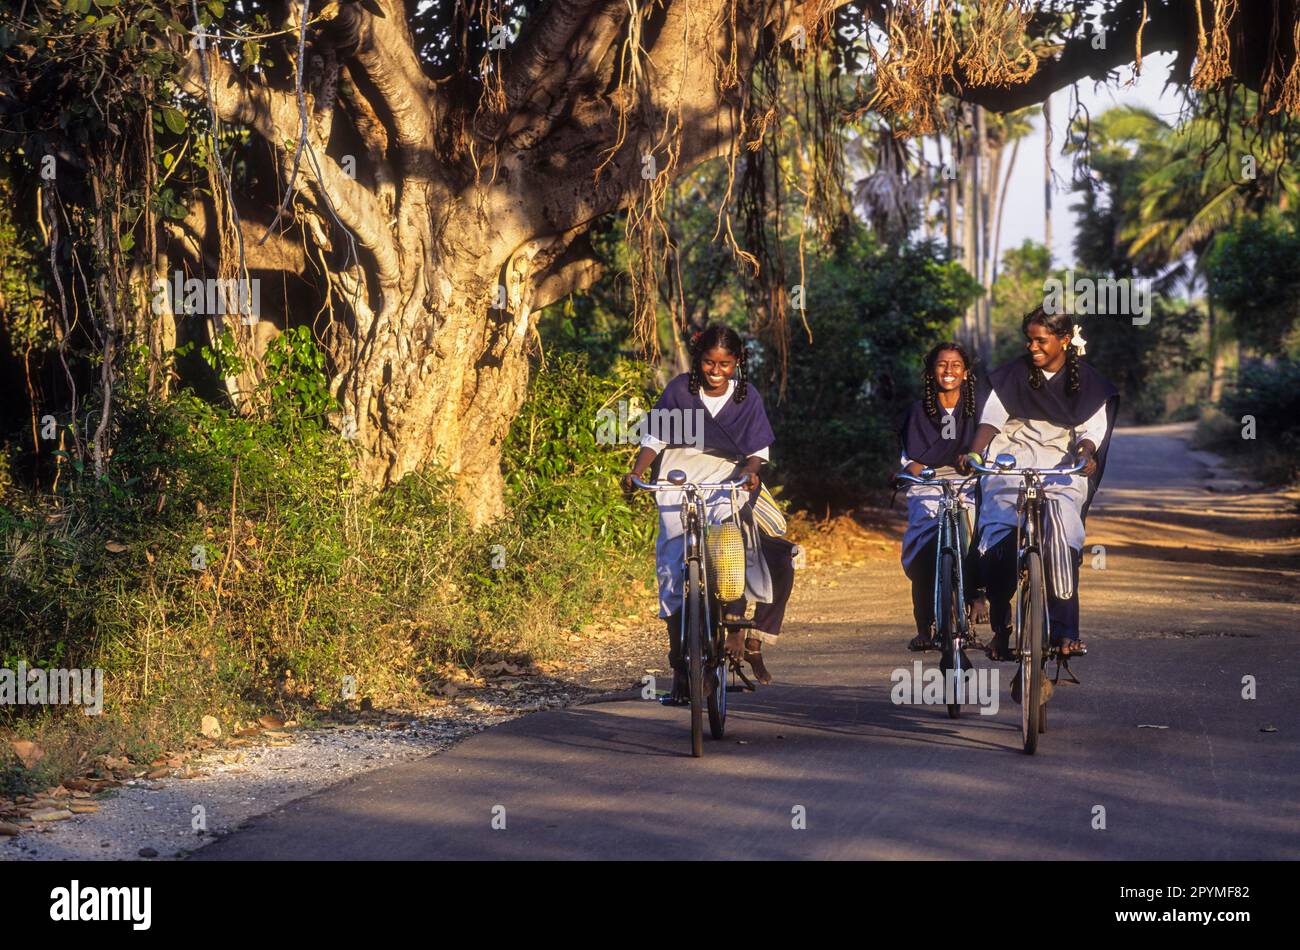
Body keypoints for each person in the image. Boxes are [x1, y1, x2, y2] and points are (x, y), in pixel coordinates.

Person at [621, 324, 793, 700]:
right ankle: (680, 664)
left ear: (737, 364)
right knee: (671, 563)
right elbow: (655, 438)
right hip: (677, 474)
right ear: (699, 360)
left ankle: (734, 628)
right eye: (709, 363)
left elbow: (757, 452)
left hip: (726, 475)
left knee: (731, 549)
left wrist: (750, 473)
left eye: (725, 364)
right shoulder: (680, 390)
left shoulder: (747, 398)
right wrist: (637, 471)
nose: (716, 371)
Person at [960, 307, 1119, 663]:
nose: (1032, 347)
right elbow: (990, 422)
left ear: (1064, 341)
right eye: (1029, 339)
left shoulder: (1090, 383)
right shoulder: (1012, 376)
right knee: (997, 537)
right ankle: (1002, 631)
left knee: (1062, 536)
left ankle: (1066, 632)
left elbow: (1091, 434)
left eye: (1041, 340)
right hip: (1011, 462)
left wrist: (1086, 454)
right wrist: (973, 454)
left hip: (1061, 468)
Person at [897, 341, 987, 652]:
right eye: (941, 364)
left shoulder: (978, 408)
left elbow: (987, 449)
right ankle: (924, 625)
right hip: (928, 483)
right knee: (923, 542)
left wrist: (973, 460)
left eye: (955, 365)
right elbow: (909, 458)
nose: (948, 371)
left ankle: (978, 594)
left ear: (966, 372)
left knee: (979, 530)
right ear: (931, 370)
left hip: (970, 482)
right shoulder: (918, 409)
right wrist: (920, 469)